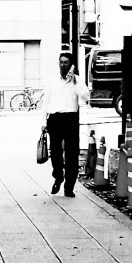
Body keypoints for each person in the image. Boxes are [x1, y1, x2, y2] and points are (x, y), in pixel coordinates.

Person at [42, 52, 90, 197]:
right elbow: (46, 102)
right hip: (54, 119)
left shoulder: (78, 80)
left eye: (66, 62)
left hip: (71, 118)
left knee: (72, 154)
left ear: (71, 65)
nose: (63, 65)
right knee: (55, 152)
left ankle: (69, 187)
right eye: (61, 62)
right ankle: (58, 176)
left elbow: (86, 98)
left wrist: (75, 81)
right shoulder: (51, 80)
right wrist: (43, 123)